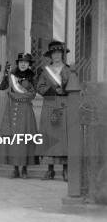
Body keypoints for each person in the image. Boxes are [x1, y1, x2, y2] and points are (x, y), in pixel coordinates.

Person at [0, 53, 39, 179]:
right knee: (13, 140)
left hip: (25, 111)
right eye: (21, 62)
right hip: (12, 110)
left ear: (29, 64)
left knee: (25, 138)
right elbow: (2, 87)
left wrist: (16, 96)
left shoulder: (32, 77)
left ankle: (25, 168)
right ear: (18, 63)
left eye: (26, 62)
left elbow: (32, 95)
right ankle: (15, 168)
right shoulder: (12, 75)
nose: (23, 64)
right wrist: (5, 75)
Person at [35, 41, 72, 181]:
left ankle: (65, 170)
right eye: (53, 53)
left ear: (62, 54)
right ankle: (50, 170)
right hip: (50, 104)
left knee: (63, 137)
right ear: (50, 56)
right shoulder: (46, 71)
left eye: (58, 53)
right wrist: (52, 90)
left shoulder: (68, 70)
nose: (56, 55)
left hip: (64, 105)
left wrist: (63, 90)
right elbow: (40, 87)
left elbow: (74, 86)